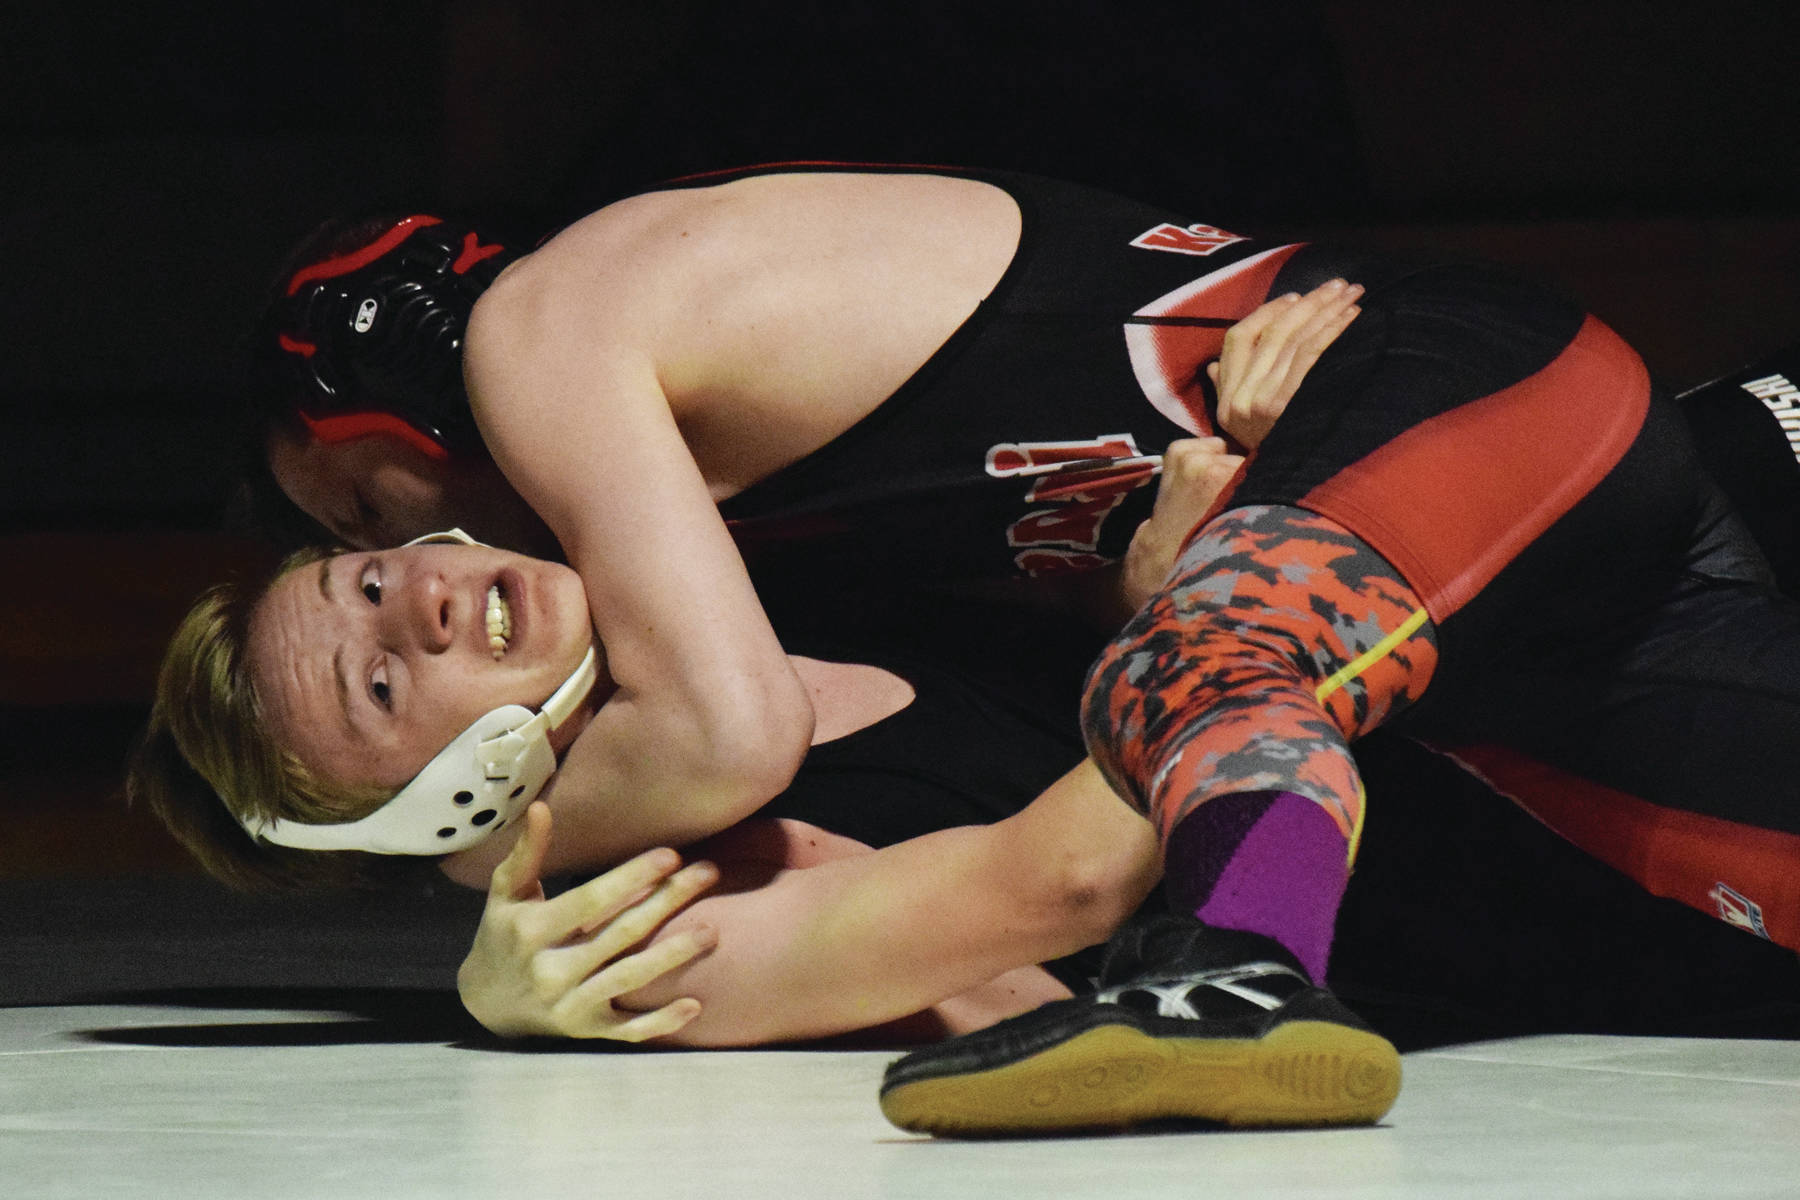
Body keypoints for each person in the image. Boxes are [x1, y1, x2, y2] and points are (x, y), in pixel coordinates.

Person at [874, 249, 1800, 1137]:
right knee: (1199, 651)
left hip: (1574, 642)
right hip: (1528, 619)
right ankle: (1244, 969)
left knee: (1204, 648)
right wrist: (1303, 471)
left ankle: (1244, 971)